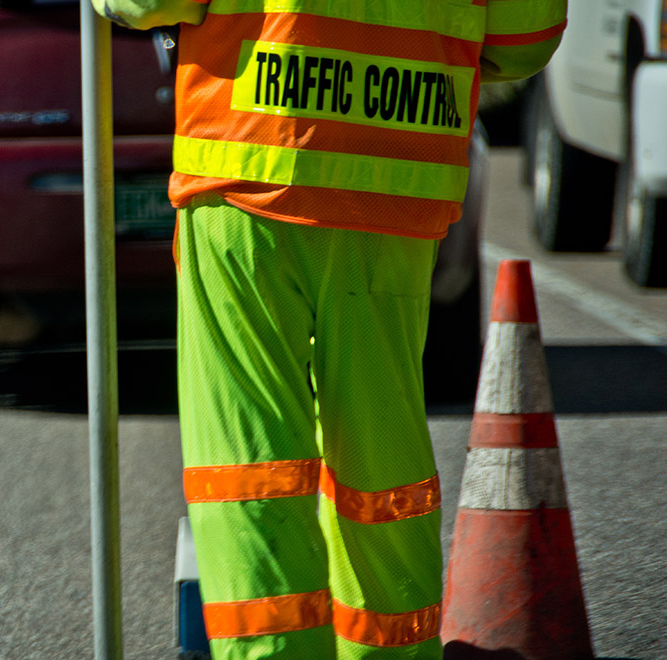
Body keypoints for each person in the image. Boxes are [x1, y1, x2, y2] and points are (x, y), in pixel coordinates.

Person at [90, 0, 565, 658]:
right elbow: (527, 35)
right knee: (380, 460)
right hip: (395, 182)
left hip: (250, 171)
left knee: (254, 462)